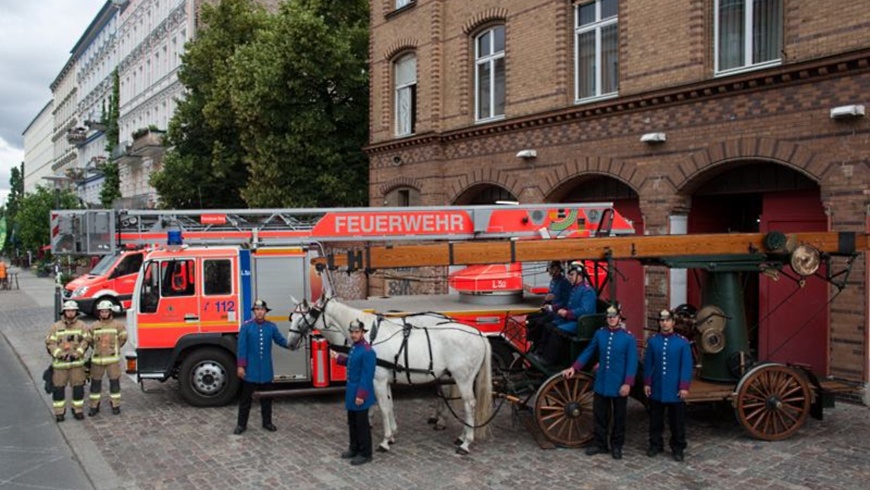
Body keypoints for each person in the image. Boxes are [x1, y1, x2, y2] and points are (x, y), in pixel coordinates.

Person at [562, 304, 637, 459]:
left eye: (614, 317)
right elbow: (588, 352)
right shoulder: (600, 334)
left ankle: (617, 446)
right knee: (600, 415)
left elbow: (632, 363)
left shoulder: (628, 337)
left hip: (619, 383)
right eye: (609, 317)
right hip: (602, 382)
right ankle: (600, 444)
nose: (611, 319)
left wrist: (627, 383)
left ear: (619, 317)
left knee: (619, 417)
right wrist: (574, 368)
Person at [234, 299, 290, 435]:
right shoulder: (246, 327)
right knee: (246, 400)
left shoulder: (271, 327)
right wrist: (241, 366)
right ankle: (241, 425)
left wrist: (292, 344)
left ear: (265, 312)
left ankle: (267, 422)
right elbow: (242, 348)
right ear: (254, 312)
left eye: (262, 310)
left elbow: (280, 340)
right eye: (257, 310)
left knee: (267, 399)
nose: (259, 312)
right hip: (250, 371)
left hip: (266, 370)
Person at [644, 309, 693, 462]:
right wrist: (647, 383)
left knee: (677, 422)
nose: (664, 323)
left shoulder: (682, 342)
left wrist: (684, 386)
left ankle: (678, 448)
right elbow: (648, 364)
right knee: (655, 420)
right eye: (661, 320)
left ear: (673, 322)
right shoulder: (653, 341)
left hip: (675, 388)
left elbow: (686, 366)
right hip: (658, 387)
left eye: (667, 320)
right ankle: (655, 444)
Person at [331, 319, 376, 466]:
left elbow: (367, 376)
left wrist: (361, 395)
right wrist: (338, 358)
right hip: (352, 391)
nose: (354, 335)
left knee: (362, 425)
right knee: (352, 423)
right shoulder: (355, 347)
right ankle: (354, 447)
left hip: (359, 393)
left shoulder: (368, 351)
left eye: (357, 332)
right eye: (352, 332)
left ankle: (365, 453)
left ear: (363, 333)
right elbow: (351, 362)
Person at [539, 260, 597, 364]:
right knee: (548, 326)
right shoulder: (575, 288)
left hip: (581, 324)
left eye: (572, 274)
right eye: (569, 274)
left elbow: (585, 310)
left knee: (556, 332)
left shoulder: (587, 291)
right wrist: (563, 310)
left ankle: (551, 360)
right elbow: (570, 304)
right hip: (572, 320)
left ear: (580, 275)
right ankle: (542, 354)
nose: (569, 277)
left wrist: (567, 313)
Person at [45, 300, 90, 422]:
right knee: (58, 389)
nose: (70, 313)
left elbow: (86, 341)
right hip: (60, 366)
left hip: (77, 365)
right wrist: (60, 355)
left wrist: (77, 353)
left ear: (76, 312)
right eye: (68, 311)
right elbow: (50, 343)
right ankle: (59, 412)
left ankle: (78, 410)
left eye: (73, 311)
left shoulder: (82, 326)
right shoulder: (56, 327)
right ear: (64, 312)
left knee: (78, 388)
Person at [86, 300, 127, 416]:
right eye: (102, 311)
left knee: (114, 383)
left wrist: (115, 348)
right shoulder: (94, 326)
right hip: (97, 361)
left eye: (106, 311)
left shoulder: (118, 325)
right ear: (99, 312)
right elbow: (89, 341)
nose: (104, 313)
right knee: (95, 384)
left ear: (110, 312)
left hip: (112, 360)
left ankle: (115, 405)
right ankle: (94, 406)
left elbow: (123, 338)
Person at [526, 261, 571, 349]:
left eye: (552, 269)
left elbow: (566, 301)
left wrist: (552, 306)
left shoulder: (564, 283)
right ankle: (533, 343)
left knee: (539, 323)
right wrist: (546, 302)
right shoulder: (553, 281)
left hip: (557, 312)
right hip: (550, 310)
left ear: (557, 269)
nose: (550, 271)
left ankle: (540, 346)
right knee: (530, 317)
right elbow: (549, 296)